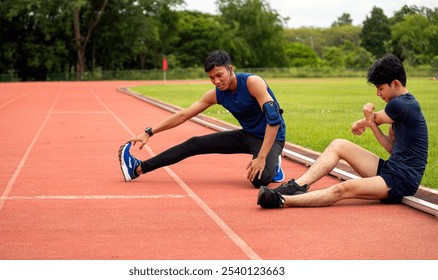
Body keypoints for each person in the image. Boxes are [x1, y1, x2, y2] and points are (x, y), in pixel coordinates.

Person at [257, 54, 428, 208]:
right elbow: (391, 148)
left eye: (381, 88)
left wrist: (361, 122)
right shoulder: (400, 108)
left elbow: (375, 117)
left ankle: (280, 199)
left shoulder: (402, 104)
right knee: (338, 145)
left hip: (402, 180)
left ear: (396, 83)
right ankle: (296, 186)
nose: (378, 93)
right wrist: (369, 123)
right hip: (391, 168)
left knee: (342, 189)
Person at [119, 50, 286, 188]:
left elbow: (274, 119)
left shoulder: (252, 82)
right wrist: (149, 132)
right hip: (248, 135)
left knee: (259, 180)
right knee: (194, 143)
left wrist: (262, 157)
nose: (216, 81)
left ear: (231, 69)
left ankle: (274, 164)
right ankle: (137, 168)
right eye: (212, 78)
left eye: (219, 75)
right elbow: (183, 115)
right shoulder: (217, 94)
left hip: (272, 137)